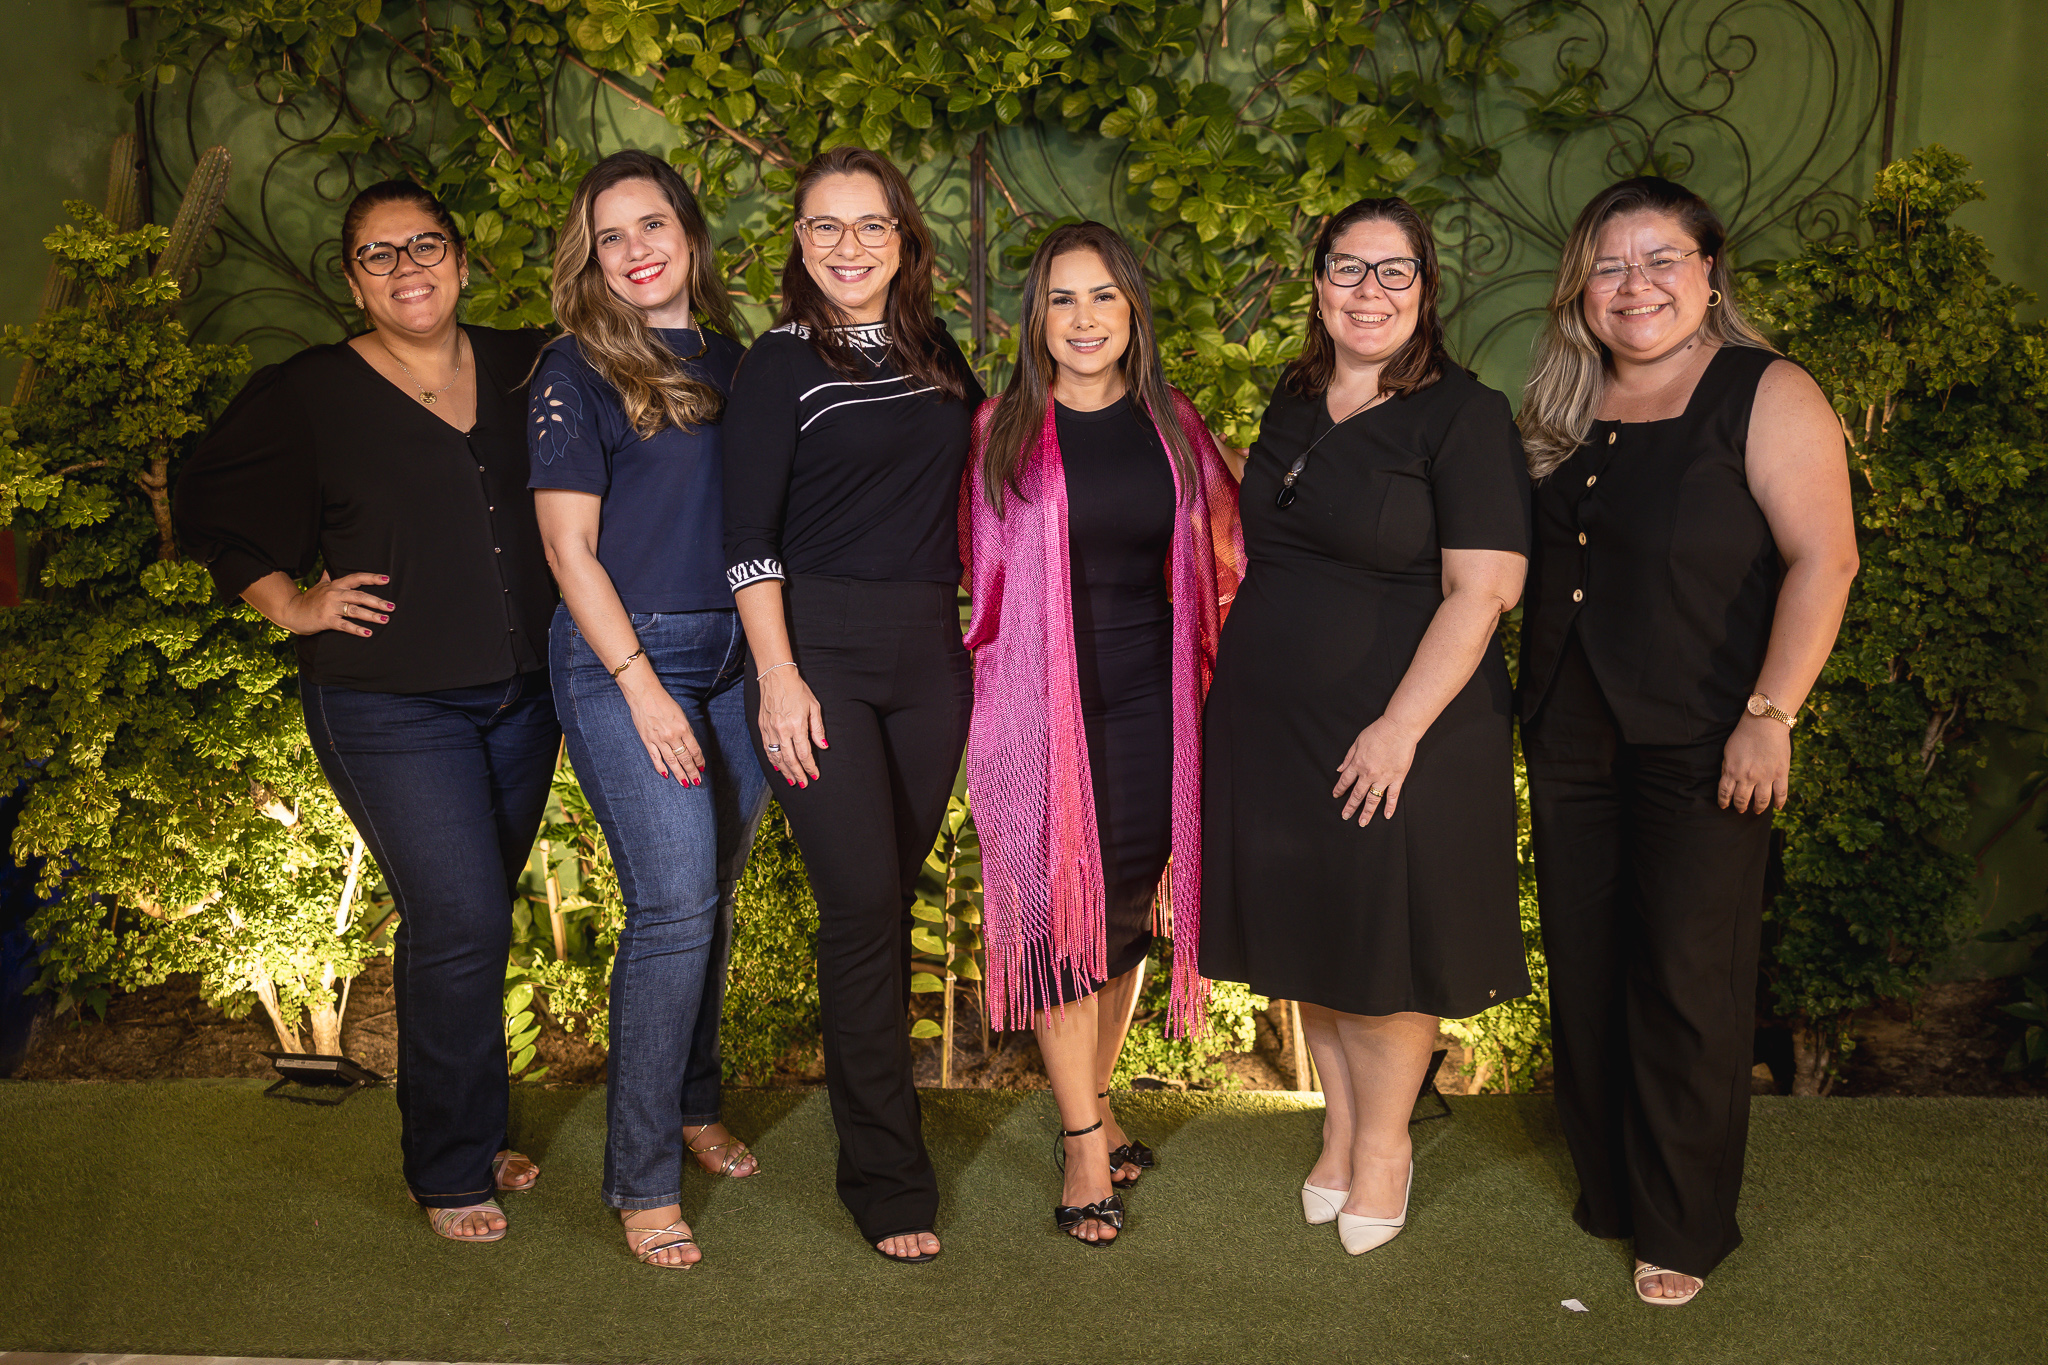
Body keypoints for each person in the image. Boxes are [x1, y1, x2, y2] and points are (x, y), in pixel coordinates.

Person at [174, 181, 556, 1244]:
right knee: (460, 918)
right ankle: (448, 1169)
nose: (406, 268)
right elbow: (208, 504)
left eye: (423, 246)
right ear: (353, 280)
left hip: (527, 698)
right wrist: (293, 603)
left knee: (476, 921)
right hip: (388, 704)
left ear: (461, 260)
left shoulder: (531, 363)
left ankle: (475, 1131)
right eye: (378, 255)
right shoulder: (310, 392)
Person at [1516, 177, 1857, 1307]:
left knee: (1685, 977)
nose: (1635, 285)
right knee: (1586, 965)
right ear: (1582, 288)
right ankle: (1614, 1187)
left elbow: (1825, 559)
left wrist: (1770, 715)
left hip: (1707, 736)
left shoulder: (1765, 391)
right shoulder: (1565, 405)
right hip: (1570, 734)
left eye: (1660, 258)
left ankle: (1680, 1222)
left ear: (1709, 271)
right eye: (1609, 265)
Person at [1200, 198, 1533, 1257]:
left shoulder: (1464, 415)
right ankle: (1340, 1132)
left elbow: (1483, 591)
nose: (1369, 292)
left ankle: (1386, 1147)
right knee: (1318, 931)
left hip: (1404, 723)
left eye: (1394, 272)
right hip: (1274, 717)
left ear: (1425, 288)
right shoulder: (1294, 395)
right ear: (1317, 283)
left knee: (1385, 939)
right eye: (1348, 268)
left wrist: (1397, 727)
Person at [721, 146, 983, 1265]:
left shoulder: (935, 350)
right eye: (824, 226)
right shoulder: (778, 362)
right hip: (816, 652)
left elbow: (996, 484)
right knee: (862, 907)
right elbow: (745, 539)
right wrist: (777, 674)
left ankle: (883, 1140)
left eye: (869, 224)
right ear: (798, 241)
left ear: (903, 237)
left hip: (930, 655)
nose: (848, 246)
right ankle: (885, 1177)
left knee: (887, 897)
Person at [961, 222, 1244, 1247]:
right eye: (1062, 299)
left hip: (1152, 705)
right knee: (1057, 917)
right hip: (1042, 710)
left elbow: (1225, 561)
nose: (1083, 319)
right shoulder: (1000, 429)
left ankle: (1097, 1101)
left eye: (1103, 298)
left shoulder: (1174, 424)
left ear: (1133, 312)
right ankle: (1084, 1140)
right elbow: (979, 582)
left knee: (1120, 918)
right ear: (1036, 317)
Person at [528, 150, 770, 1269]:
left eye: (652, 225)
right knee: (671, 905)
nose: (635, 250)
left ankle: (692, 1104)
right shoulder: (574, 367)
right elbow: (567, 550)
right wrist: (640, 687)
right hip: (628, 659)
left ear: (688, 233)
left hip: (740, 659)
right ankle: (640, 1179)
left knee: (710, 899)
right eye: (610, 236)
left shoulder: (736, 358)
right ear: (590, 258)